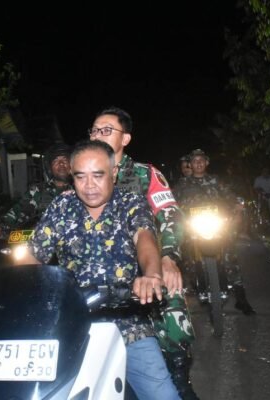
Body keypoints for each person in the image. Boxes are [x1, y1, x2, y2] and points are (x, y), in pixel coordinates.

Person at [20, 140, 181, 399]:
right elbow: (32, 255)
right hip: (71, 326)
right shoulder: (61, 207)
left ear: (113, 173)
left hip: (128, 326)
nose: (89, 185)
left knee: (163, 395)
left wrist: (151, 275)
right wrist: (20, 289)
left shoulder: (131, 202)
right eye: (80, 177)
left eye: (98, 175)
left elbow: (145, 238)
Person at [89, 106, 196, 398]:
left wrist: (168, 257)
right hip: (101, 273)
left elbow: (170, 215)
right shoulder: (86, 176)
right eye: (94, 130)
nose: (98, 135)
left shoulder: (145, 174)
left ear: (125, 139)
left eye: (106, 130)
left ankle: (179, 379)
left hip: (148, 267)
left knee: (173, 314)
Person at [173, 149, 256, 315]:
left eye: (201, 160)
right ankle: (193, 287)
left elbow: (230, 196)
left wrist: (237, 206)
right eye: (194, 161)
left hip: (216, 224)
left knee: (229, 256)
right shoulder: (183, 184)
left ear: (206, 162)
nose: (198, 163)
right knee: (185, 256)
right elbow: (171, 201)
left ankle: (241, 298)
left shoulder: (216, 181)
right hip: (192, 226)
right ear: (190, 164)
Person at [0, 142, 72, 239]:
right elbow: (20, 209)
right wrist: (2, 226)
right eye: (56, 161)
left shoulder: (81, 188)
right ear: (50, 168)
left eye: (65, 160)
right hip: (45, 241)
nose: (61, 164)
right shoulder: (39, 190)